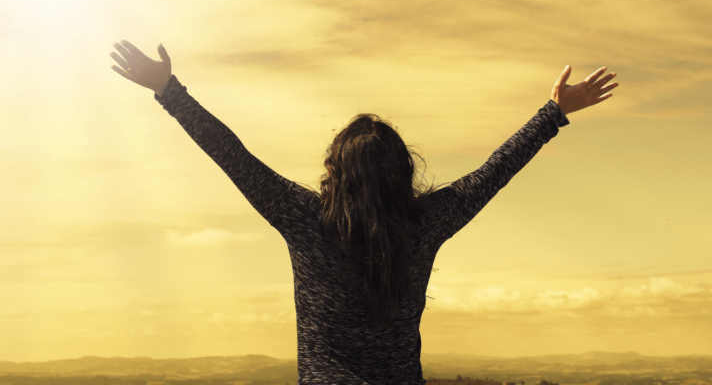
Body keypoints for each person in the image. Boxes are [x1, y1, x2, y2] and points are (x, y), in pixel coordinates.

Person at [109, 40, 618, 385]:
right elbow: (494, 171)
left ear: (335, 170)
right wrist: (553, 113)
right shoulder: (425, 223)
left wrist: (169, 91)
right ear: (402, 171)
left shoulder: (305, 219)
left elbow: (233, 156)